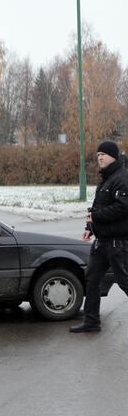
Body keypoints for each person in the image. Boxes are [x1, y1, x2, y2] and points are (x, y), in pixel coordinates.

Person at [70, 141, 128, 333]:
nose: (100, 157)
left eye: (103, 154)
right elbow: (98, 207)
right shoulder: (106, 179)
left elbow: (122, 207)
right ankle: (91, 321)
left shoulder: (123, 177)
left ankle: (91, 321)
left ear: (114, 156)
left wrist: (95, 216)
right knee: (92, 280)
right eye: (98, 155)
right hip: (101, 242)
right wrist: (90, 226)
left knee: (124, 281)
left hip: (118, 242)